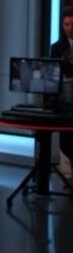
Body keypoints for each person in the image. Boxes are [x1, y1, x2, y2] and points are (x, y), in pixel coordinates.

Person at [50, 9, 73, 164]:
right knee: (67, 141)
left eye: (72, 24)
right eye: (66, 24)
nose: (70, 28)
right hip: (66, 100)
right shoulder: (57, 47)